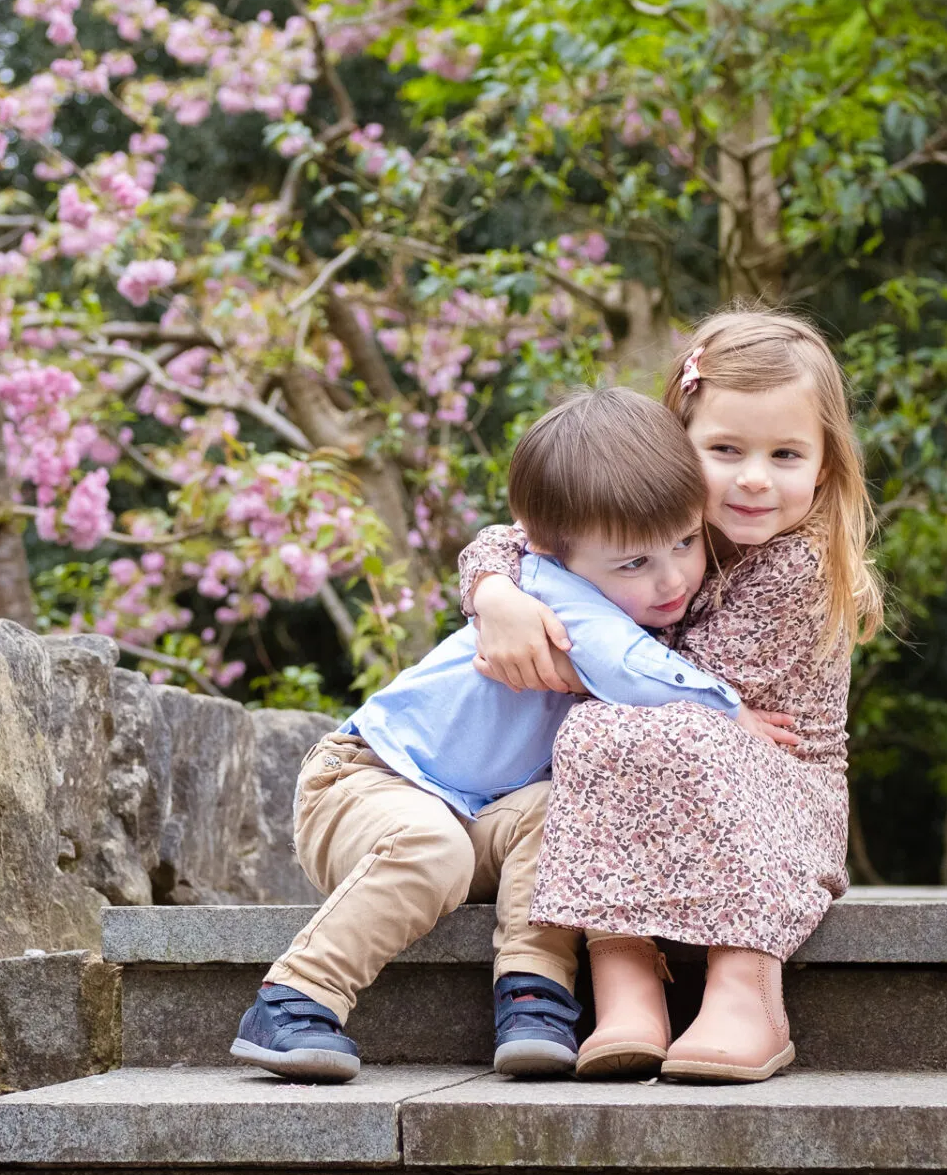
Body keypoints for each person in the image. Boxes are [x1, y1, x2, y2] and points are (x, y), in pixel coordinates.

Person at [231, 387, 795, 1085]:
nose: (672, 577)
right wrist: (728, 710)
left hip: (477, 810)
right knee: (428, 845)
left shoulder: (615, 579)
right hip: (368, 780)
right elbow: (631, 672)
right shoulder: (555, 589)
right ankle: (294, 998)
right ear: (550, 549)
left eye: (684, 542)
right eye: (634, 563)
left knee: (568, 816)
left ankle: (535, 995)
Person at [459, 308, 883, 1084]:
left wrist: (571, 598)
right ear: (676, 453)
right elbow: (525, 533)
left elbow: (656, 680)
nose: (755, 478)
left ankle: (744, 989)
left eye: (786, 454)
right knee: (596, 735)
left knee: (636, 727)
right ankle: (627, 984)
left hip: (783, 794)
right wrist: (495, 592)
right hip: (658, 765)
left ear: (823, 467)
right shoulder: (666, 524)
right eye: (726, 450)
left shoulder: (799, 565)